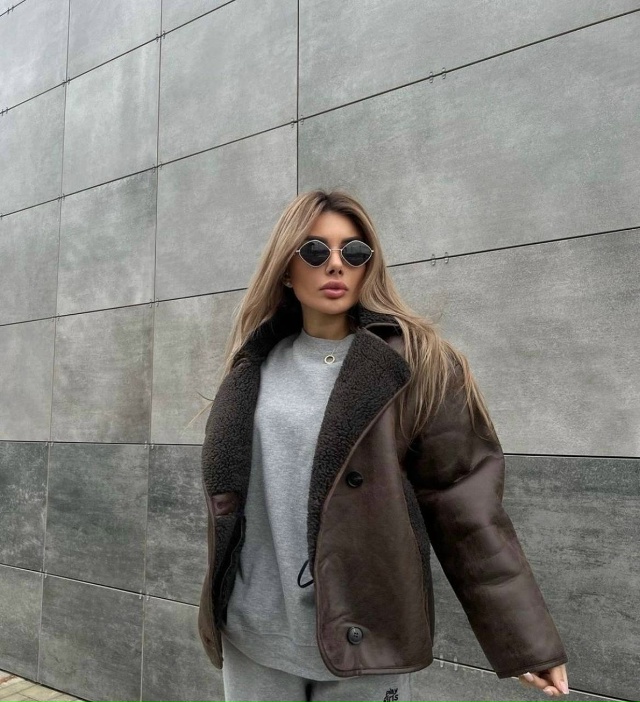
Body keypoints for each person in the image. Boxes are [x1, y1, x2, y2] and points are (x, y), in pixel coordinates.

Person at [192, 189, 569, 701]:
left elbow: (466, 505)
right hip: (253, 635)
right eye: (314, 251)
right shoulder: (252, 368)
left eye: (354, 252)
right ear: (286, 269)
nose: (336, 264)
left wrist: (528, 643)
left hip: (367, 639)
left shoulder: (415, 365)